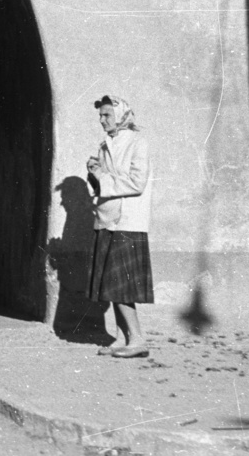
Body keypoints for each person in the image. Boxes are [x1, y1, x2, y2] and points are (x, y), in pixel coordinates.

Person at [85, 95, 154, 358]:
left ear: (122, 116)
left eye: (107, 115)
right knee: (111, 284)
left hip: (128, 221)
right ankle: (122, 337)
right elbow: (103, 185)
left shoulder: (138, 143)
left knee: (120, 283)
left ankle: (137, 340)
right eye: (101, 116)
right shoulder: (105, 146)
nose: (102, 120)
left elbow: (137, 183)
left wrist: (101, 177)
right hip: (106, 219)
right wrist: (93, 174)